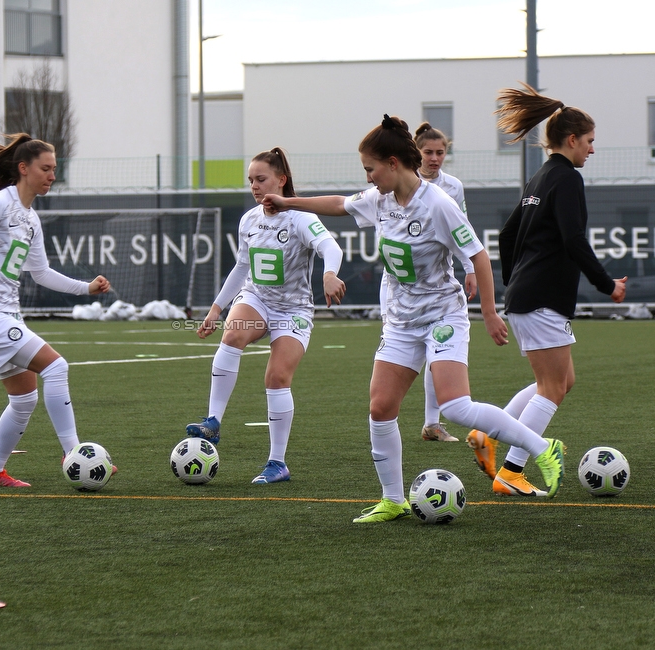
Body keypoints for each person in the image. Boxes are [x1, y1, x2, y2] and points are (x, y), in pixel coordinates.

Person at [264, 115, 566, 522]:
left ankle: (543, 449)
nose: (368, 178)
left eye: (370, 169)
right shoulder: (379, 200)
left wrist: (490, 313)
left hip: (443, 314)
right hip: (401, 322)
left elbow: (476, 255)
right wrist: (287, 202)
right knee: (380, 406)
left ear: (392, 163)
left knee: (455, 406)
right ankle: (393, 499)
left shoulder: (439, 204)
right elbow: (338, 204)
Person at [466, 84, 627, 497]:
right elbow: (574, 239)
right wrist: (607, 285)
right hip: (541, 300)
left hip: (528, 296)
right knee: (552, 388)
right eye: (589, 141)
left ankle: (489, 433)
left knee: (561, 380)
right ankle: (512, 472)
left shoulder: (540, 176)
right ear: (572, 140)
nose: (592, 149)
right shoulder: (567, 179)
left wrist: (515, 282)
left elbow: (506, 234)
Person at [0, 133, 112, 487]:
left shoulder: (31, 219)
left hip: (5, 315)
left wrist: (86, 288)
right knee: (56, 366)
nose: (52, 175)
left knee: (24, 399)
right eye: (46, 168)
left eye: (55, 169)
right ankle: (74, 452)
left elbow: (41, 273)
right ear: (24, 169)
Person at [186, 147, 346, 484]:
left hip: (293, 310)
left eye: (261, 179)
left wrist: (330, 274)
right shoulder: (249, 220)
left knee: (276, 378)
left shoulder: (301, 217)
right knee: (232, 335)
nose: (255, 186)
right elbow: (241, 268)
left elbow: (332, 247)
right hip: (257, 299)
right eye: (251, 180)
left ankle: (277, 463)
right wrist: (216, 308)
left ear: (281, 179)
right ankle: (212, 422)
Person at [415, 122, 476, 443]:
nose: (435, 158)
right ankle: (384, 421)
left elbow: (462, 231)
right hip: (405, 288)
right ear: (416, 152)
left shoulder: (453, 186)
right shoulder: (398, 184)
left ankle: (431, 424)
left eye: (441, 152)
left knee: (436, 348)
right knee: (413, 354)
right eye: (428, 152)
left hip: (440, 282)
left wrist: (470, 268)